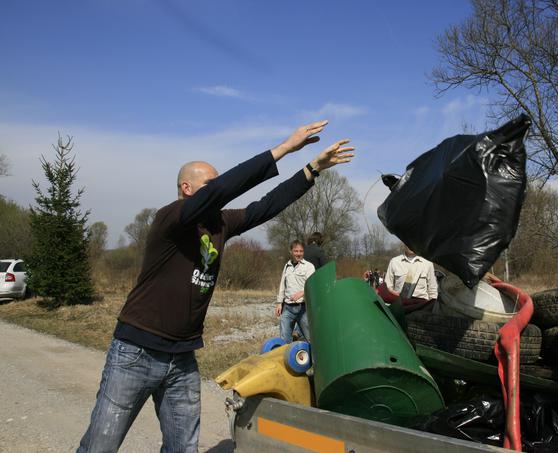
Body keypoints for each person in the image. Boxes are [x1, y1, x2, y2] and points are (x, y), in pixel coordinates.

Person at [77, 120, 355, 453]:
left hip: (181, 357)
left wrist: (311, 169)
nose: (219, 190)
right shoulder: (170, 219)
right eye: (210, 185)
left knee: (183, 447)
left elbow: (264, 207)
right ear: (187, 189)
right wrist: (284, 148)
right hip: (136, 352)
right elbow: (225, 189)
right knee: (100, 447)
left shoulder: (220, 223)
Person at [378, 245, 438, 313]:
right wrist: (392, 293)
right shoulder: (394, 262)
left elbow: (433, 291)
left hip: (421, 307)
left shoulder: (428, 263)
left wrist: (432, 310)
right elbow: (387, 286)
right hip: (400, 306)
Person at [275, 240, 315, 343]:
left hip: (303, 308)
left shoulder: (309, 267)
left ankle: (313, 358)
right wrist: (279, 303)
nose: (298, 254)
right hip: (288, 308)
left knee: (310, 338)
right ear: (291, 252)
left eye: (301, 251)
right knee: (284, 338)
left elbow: (312, 285)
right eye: (296, 251)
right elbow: (282, 285)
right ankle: (287, 357)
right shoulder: (287, 266)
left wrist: (302, 293)